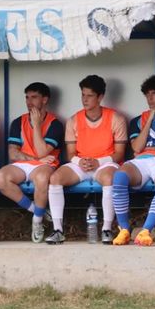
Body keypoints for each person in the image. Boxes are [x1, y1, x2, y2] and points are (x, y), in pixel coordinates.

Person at [47, 75, 125, 245]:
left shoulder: (115, 118)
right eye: (83, 95)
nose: (85, 99)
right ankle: (58, 229)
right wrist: (78, 161)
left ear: (100, 97)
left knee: (110, 178)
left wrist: (99, 162)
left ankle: (106, 229)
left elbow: (119, 153)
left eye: (89, 95)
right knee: (55, 178)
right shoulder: (74, 120)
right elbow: (70, 154)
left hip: (105, 163)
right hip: (81, 164)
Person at [109, 74, 155, 247]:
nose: (150, 98)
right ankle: (124, 230)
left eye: (154, 93)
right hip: (142, 161)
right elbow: (136, 148)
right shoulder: (138, 120)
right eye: (147, 94)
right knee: (119, 177)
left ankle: (146, 230)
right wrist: (150, 119)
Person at [0, 82, 64, 244]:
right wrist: (35, 159)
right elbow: (12, 153)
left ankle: (37, 221)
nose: (29, 102)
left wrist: (37, 125)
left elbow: (41, 152)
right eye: (27, 97)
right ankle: (36, 210)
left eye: (34, 97)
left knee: (41, 179)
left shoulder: (55, 124)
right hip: (25, 164)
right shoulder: (18, 122)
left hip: (45, 165)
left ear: (45, 99)